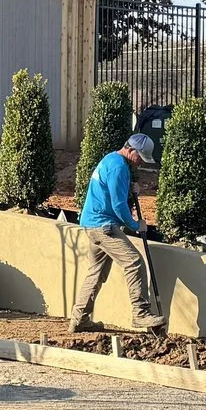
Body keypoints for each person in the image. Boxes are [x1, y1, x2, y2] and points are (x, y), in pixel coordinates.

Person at [71, 132, 165, 333]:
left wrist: (129, 187)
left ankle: (80, 319)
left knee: (96, 274)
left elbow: (113, 190)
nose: (140, 162)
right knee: (134, 262)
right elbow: (118, 205)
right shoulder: (119, 168)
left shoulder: (112, 160)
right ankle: (140, 313)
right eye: (139, 157)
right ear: (130, 150)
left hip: (92, 224)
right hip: (104, 226)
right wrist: (135, 224)